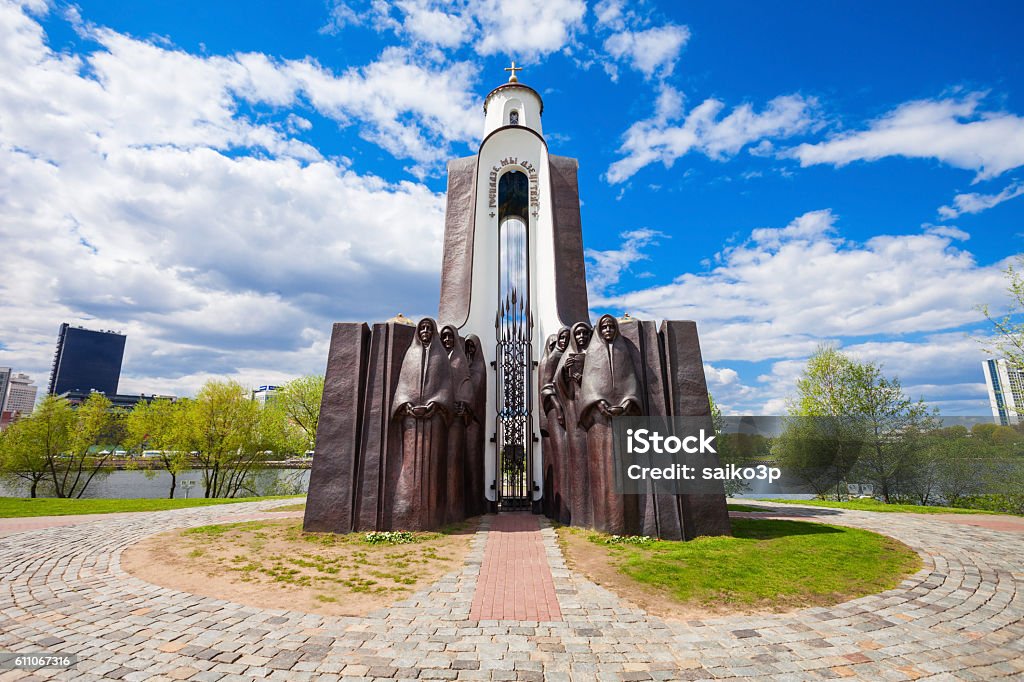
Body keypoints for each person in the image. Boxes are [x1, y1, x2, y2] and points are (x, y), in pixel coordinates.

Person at [578, 314, 642, 534]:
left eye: (610, 326)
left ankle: (628, 523)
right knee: (603, 469)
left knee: (624, 469)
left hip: (623, 419)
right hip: (600, 421)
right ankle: (606, 523)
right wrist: (599, 402)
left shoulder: (623, 352)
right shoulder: (593, 353)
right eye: (603, 327)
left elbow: (631, 381)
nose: (607, 330)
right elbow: (589, 384)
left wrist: (627, 402)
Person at [390, 318, 453, 530]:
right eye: (422, 328)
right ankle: (406, 511)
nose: (425, 331)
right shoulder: (411, 354)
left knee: (433, 463)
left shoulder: (441, 356)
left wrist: (435, 404)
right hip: (411, 419)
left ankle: (431, 513)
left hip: (433, 419)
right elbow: (403, 385)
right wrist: (406, 405)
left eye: (429, 328)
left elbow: (446, 385)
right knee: (409, 465)